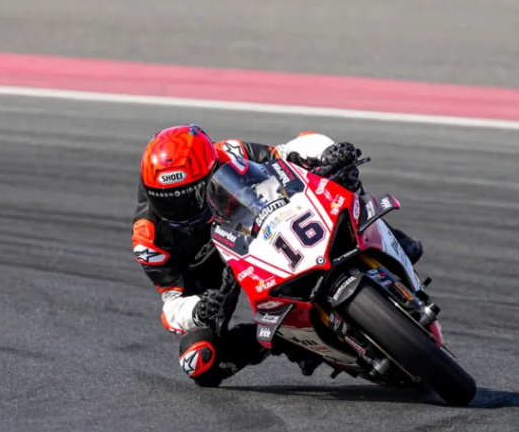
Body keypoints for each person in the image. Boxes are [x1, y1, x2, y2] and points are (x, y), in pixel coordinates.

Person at [131, 124, 424, 387]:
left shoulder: (227, 153)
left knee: (342, 174)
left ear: (209, 171)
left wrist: (327, 152)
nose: (182, 210)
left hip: (256, 224)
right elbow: (172, 304)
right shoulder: (148, 237)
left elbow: (286, 151)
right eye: (168, 201)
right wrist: (198, 310)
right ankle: (286, 341)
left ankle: (388, 240)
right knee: (198, 361)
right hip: (215, 284)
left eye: (190, 196)